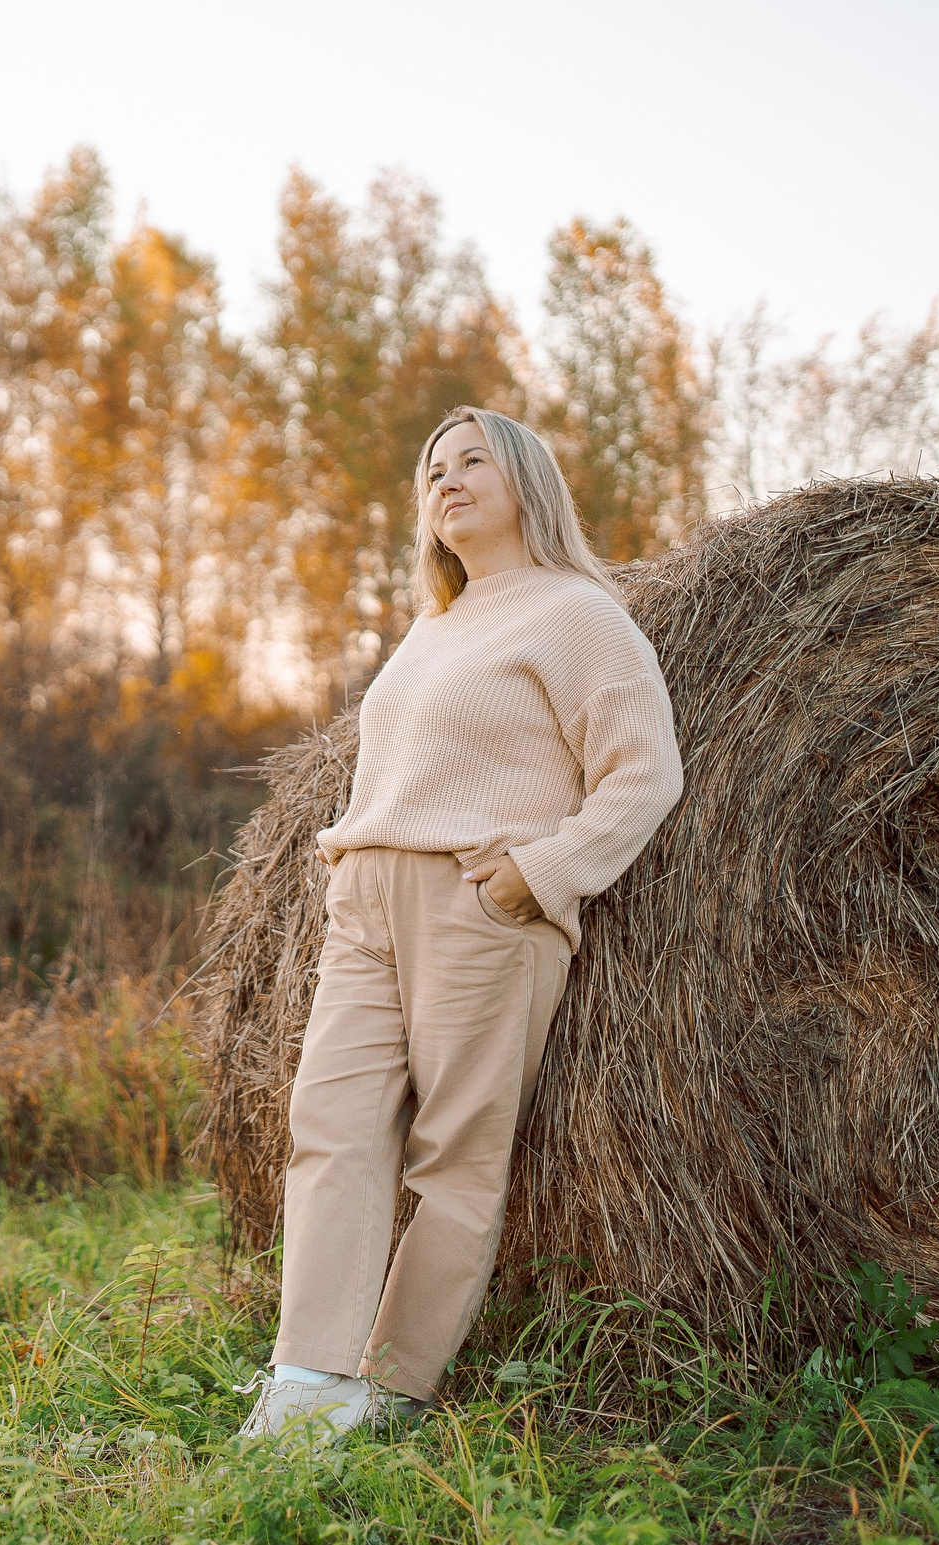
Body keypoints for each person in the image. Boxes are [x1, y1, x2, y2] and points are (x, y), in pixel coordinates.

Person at [238, 405, 684, 1439]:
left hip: (479, 906)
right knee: (331, 1126)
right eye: (431, 469)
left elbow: (644, 771)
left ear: (527, 480)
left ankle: (391, 1388)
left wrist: (542, 871)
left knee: (454, 1159)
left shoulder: (578, 614)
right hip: (366, 901)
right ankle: (305, 1381)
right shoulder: (435, 623)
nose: (444, 480)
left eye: (470, 460)